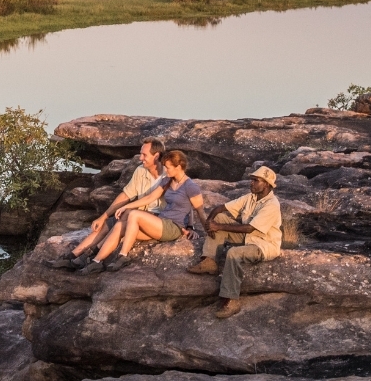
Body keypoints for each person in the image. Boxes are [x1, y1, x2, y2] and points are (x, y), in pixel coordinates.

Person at [76, 150, 205, 275]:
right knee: (120, 226)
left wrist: (195, 228)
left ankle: (123, 255)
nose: (165, 170)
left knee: (134, 214)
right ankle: (96, 261)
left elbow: (198, 210)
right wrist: (126, 206)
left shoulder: (191, 186)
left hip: (173, 227)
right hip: (160, 223)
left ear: (178, 167)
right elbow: (149, 198)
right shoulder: (167, 181)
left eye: (168, 167)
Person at [46, 137, 166, 269]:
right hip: (137, 214)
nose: (140, 158)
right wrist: (103, 216)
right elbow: (126, 194)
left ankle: (91, 256)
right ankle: (72, 257)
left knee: (123, 220)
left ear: (156, 156)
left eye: (144, 155)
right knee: (107, 224)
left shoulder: (169, 174)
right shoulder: (141, 170)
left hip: (155, 220)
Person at [190, 166, 283, 319]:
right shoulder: (251, 197)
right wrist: (210, 221)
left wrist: (217, 227)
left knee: (233, 253)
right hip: (248, 238)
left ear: (266, 184)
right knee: (219, 218)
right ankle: (209, 260)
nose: (251, 183)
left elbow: (249, 228)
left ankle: (231, 300)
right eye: (251, 180)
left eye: (255, 180)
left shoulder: (272, 204)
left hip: (263, 245)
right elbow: (221, 208)